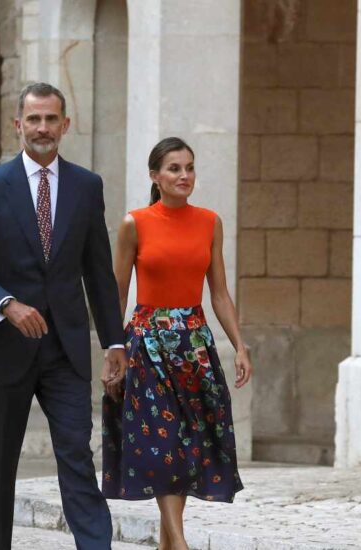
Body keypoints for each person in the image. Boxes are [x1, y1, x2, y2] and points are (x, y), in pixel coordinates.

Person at [0, 82, 128, 550]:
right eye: (34, 119)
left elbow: (98, 273)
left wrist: (115, 342)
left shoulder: (87, 186)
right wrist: (6, 305)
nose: (42, 128)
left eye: (51, 119)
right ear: (18, 125)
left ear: (65, 125)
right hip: (3, 349)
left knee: (76, 456)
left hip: (65, 352)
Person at [101, 137, 252, 550]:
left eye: (189, 168)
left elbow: (219, 292)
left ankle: (168, 546)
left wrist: (239, 345)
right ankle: (181, 546)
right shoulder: (135, 223)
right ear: (155, 176)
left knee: (187, 445)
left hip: (195, 346)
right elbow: (116, 292)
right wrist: (112, 351)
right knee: (161, 440)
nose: (184, 175)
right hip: (147, 345)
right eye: (174, 168)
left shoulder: (210, 222)